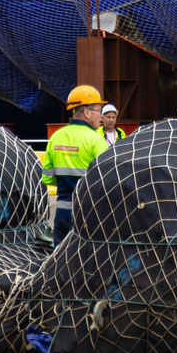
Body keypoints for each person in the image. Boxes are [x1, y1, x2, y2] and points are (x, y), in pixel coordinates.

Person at [43, 85, 113, 240]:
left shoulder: (56, 137)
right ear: (87, 112)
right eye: (99, 111)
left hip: (62, 213)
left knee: (60, 260)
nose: (101, 116)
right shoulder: (96, 140)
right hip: (88, 215)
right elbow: (108, 179)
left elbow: (47, 178)